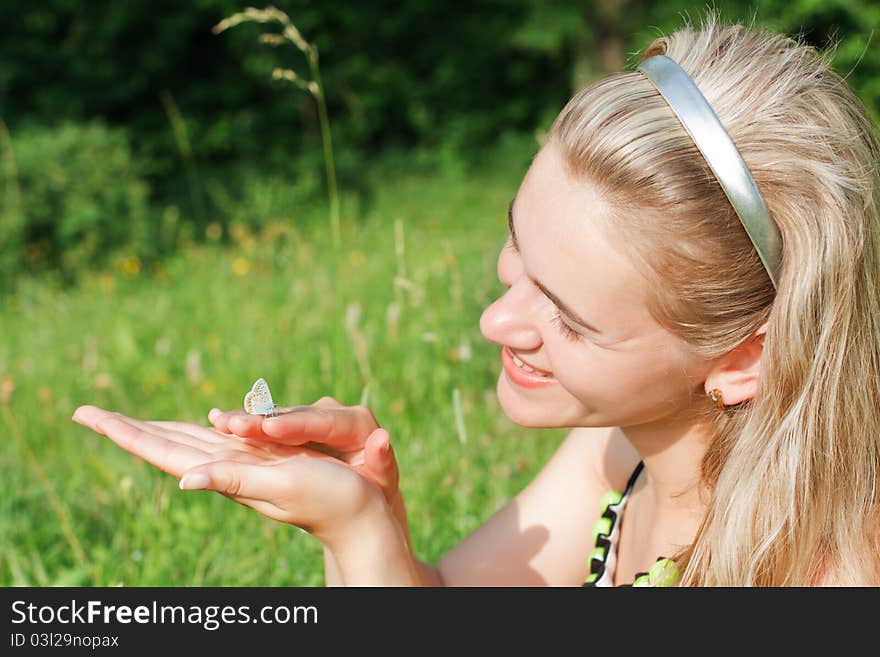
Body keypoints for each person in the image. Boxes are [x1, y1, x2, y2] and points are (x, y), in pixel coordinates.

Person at [72, 11, 880, 586]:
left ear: (747, 355)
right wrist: (359, 523)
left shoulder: (827, 571)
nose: (496, 320)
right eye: (516, 247)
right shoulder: (624, 454)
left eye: (567, 317)